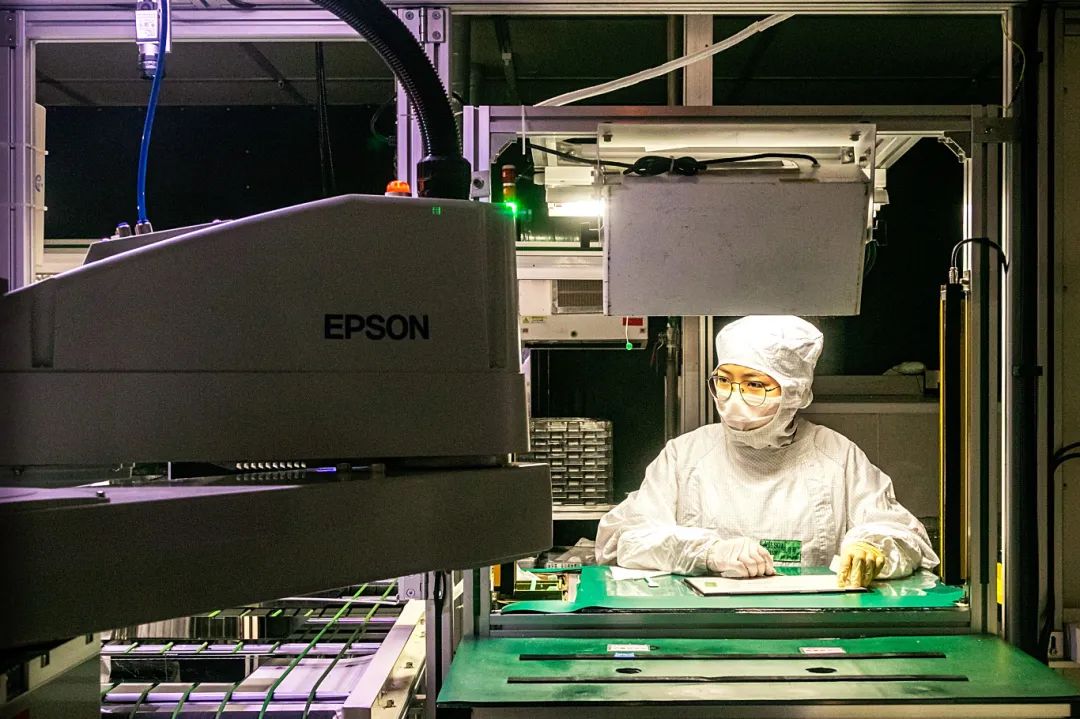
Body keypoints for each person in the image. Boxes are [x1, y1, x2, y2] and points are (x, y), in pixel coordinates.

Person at [595, 315, 939, 588]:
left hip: (813, 627)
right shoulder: (686, 456)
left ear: (794, 392)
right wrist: (707, 551)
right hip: (707, 628)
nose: (733, 396)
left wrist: (873, 546)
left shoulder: (836, 456)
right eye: (724, 381)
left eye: (755, 384)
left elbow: (904, 535)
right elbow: (623, 539)